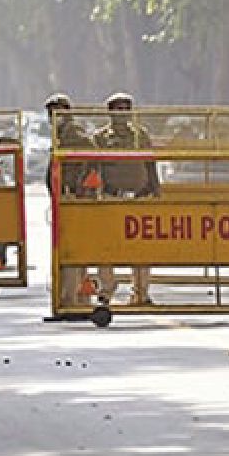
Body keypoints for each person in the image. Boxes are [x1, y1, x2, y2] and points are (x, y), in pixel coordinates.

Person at [92, 92, 160, 305]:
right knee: (106, 246)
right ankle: (106, 289)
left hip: (139, 198)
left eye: (125, 108)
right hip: (111, 198)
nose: (121, 113)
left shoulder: (141, 135)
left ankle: (141, 292)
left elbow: (151, 164)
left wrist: (154, 188)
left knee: (141, 247)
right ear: (110, 112)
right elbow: (95, 168)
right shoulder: (101, 138)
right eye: (117, 109)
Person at [44, 93, 93, 308]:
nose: (55, 115)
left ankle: (71, 297)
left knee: (71, 249)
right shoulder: (60, 133)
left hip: (73, 198)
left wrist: (78, 185)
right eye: (52, 112)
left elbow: (87, 151)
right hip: (65, 198)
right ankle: (75, 296)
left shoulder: (72, 132)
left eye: (59, 110)